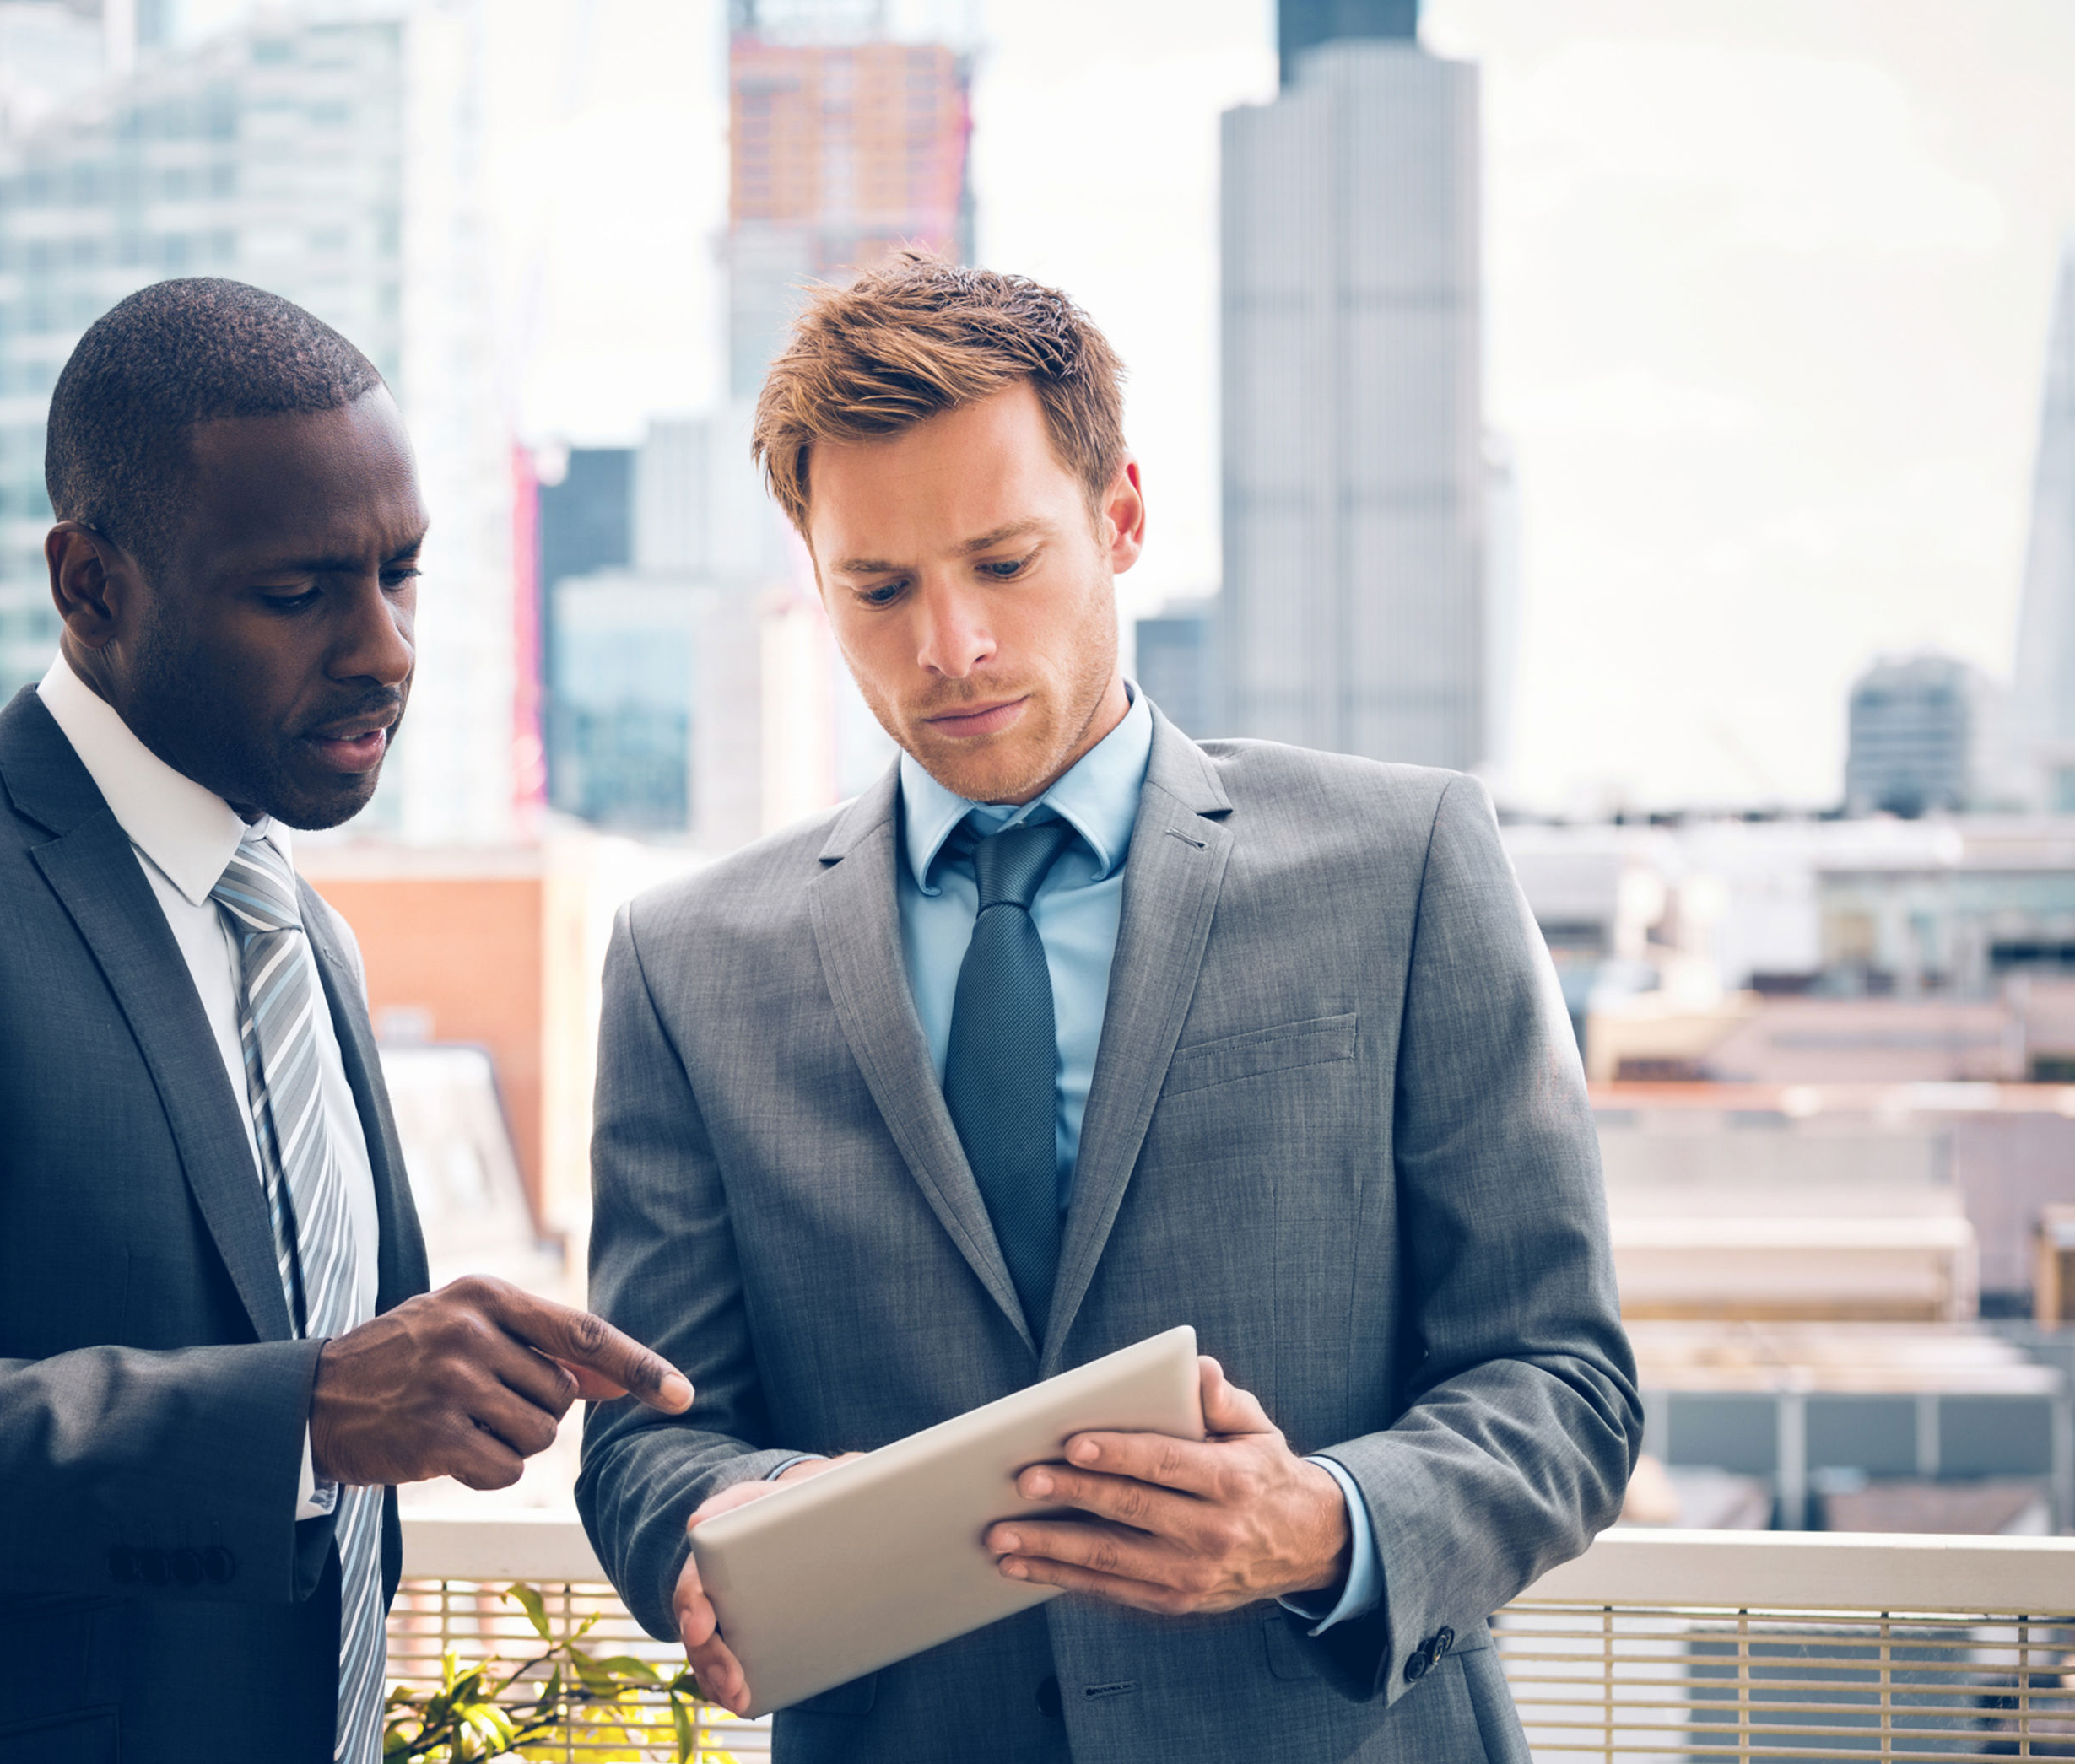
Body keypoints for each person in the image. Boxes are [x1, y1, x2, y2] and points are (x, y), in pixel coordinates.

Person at [574, 256, 1637, 1763]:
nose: (951, 646)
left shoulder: (1404, 866)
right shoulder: (687, 965)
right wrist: (717, 1519)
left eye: (1003, 563)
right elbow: (648, 1426)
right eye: (879, 588)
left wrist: (1325, 1524)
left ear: (1121, 517)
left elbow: (1567, 1381)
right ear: (816, 577)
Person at [0, 278, 689, 1763]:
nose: (385, 649)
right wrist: (307, 1412)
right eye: (299, 591)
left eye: (402, 574)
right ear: (91, 584)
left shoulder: (303, 933)